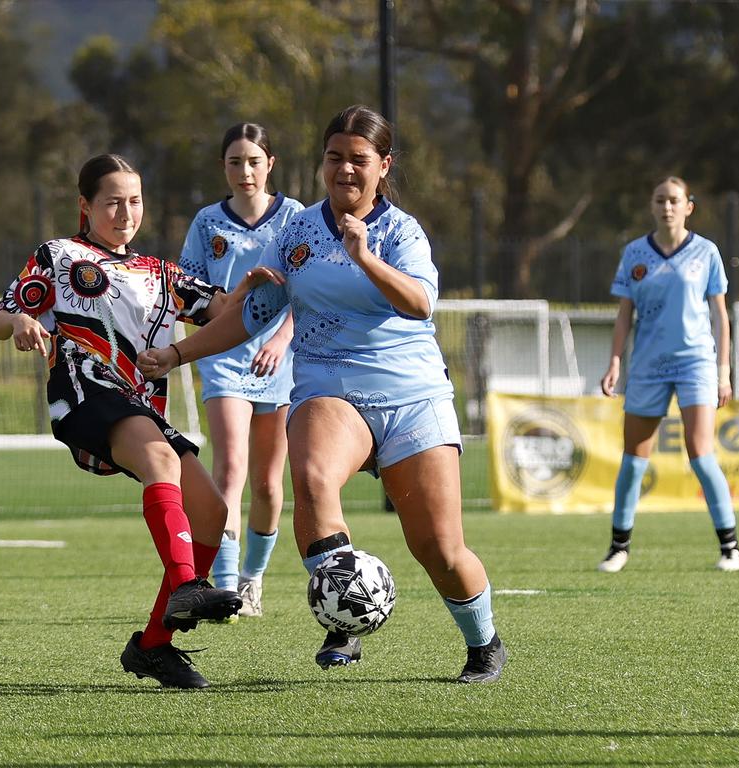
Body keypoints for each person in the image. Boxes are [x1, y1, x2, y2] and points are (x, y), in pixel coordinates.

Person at [138, 105, 506, 683]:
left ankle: (483, 643)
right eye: (334, 158)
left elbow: (419, 303)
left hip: (412, 396)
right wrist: (180, 352)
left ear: (383, 166)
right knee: (310, 476)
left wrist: (364, 256)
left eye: (359, 160)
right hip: (329, 386)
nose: (345, 170)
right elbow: (255, 313)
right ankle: (346, 610)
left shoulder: (401, 232)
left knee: (438, 547)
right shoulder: (299, 231)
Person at [0, 153, 282, 689]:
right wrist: (24, 319)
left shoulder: (161, 274)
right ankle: (187, 584)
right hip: (84, 393)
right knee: (161, 461)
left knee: (213, 512)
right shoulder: (59, 255)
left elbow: (220, 310)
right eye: (112, 201)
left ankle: (152, 646)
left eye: (135, 200)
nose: (126, 212)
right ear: (85, 205)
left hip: (138, 406)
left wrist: (251, 293)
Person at [178, 123, 304, 618]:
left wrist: (279, 337)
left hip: (282, 360)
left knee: (270, 484)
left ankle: (253, 579)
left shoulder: (295, 217)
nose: (245, 171)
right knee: (229, 469)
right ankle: (225, 587)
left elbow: (308, 289)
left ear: (270, 164)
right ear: (223, 168)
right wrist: (226, 308)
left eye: (253, 161)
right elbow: (191, 294)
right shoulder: (208, 222)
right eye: (235, 162)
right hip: (225, 361)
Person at [598, 176, 739, 573]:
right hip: (647, 365)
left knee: (701, 453)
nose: (667, 207)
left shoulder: (706, 252)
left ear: (688, 206)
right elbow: (624, 314)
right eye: (660, 200)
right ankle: (618, 547)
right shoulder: (634, 254)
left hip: (696, 362)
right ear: (652, 206)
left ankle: (730, 548)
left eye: (674, 200)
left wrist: (723, 372)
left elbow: (720, 315)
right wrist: (615, 362)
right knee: (633, 460)